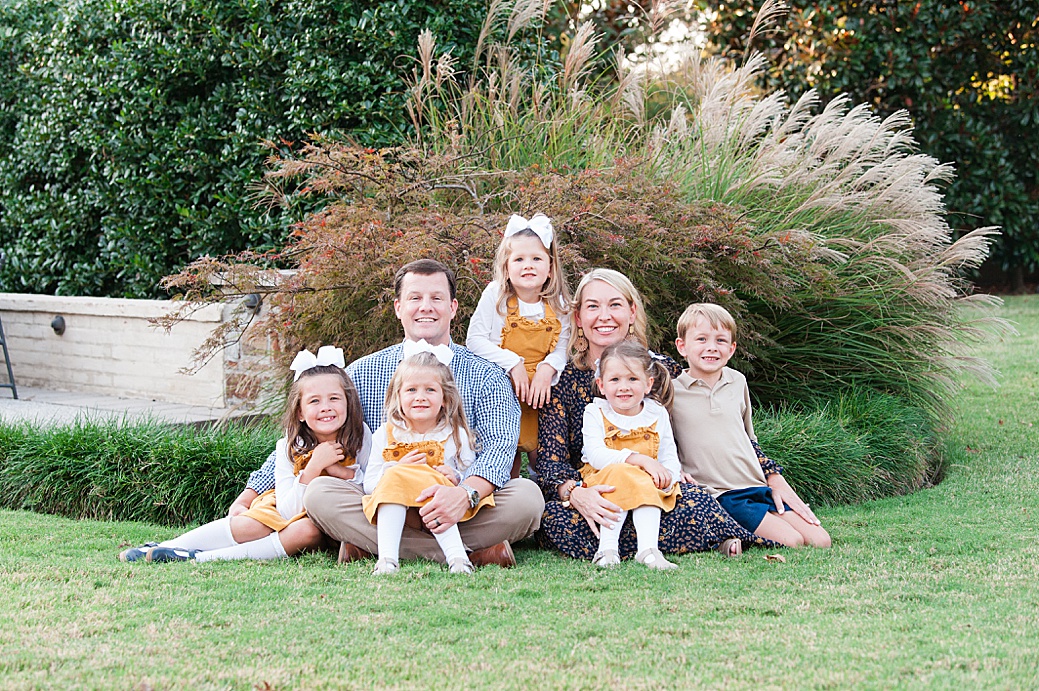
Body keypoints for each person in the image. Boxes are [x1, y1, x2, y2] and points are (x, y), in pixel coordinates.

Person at [303, 259, 544, 568]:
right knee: (320, 493)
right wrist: (251, 492)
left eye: (436, 298)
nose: (425, 307)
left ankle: (375, 546)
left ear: (453, 307)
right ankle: (470, 552)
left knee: (527, 498)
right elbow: (312, 430)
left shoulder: (486, 375)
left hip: (459, 502)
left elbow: (499, 447)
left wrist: (464, 494)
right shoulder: (363, 372)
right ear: (398, 307)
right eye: (415, 298)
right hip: (387, 499)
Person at [536, 268, 770, 560]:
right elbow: (550, 463)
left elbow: (713, 431)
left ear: (632, 312)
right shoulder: (561, 381)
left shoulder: (662, 371)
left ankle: (635, 544)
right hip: (597, 489)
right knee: (558, 520)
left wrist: (771, 474)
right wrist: (575, 494)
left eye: (615, 305)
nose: (604, 316)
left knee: (698, 501)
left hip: (657, 489)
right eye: (593, 306)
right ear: (579, 318)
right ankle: (683, 540)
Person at [119, 346, 372, 563]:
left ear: (349, 404)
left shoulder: (361, 438)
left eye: (334, 398)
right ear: (300, 413)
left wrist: (338, 471)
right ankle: (169, 546)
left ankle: (201, 558)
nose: (326, 407)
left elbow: (367, 489)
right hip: (291, 507)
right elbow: (287, 510)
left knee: (305, 531)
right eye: (314, 401)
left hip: (328, 522)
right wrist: (313, 468)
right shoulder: (289, 446)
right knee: (253, 522)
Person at [672, 303, 831, 548]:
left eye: (721, 340)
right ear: (682, 346)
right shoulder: (673, 392)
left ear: (732, 348)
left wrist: (771, 480)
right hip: (722, 493)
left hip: (756, 485)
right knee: (793, 541)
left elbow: (749, 437)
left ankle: (740, 534)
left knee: (821, 541)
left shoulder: (737, 381)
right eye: (701, 339)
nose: (712, 347)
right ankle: (728, 537)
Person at [363, 351, 490, 575]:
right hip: (399, 512)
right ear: (398, 397)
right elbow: (370, 485)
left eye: (430, 390)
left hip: (443, 510)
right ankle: (387, 560)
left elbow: (469, 474)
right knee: (393, 478)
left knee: (435, 482)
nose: (420, 397)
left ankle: (458, 559)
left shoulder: (455, 435)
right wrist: (396, 469)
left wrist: (456, 478)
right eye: (411, 390)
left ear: (445, 399)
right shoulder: (385, 435)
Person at [466, 213, 571, 478]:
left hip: (541, 393)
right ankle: (510, 505)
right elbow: (474, 340)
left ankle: (544, 503)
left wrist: (549, 368)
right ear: (506, 266)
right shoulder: (496, 295)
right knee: (507, 457)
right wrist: (512, 363)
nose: (528, 265)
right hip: (504, 390)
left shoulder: (559, 305)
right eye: (519, 259)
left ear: (550, 267)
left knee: (543, 455)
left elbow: (564, 347)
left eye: (537, 259)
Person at [581, 341, 682, 570]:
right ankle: (606, 549)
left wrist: (670, 477)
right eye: (615, 380)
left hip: (648, 484)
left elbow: (668, 455)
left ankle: (648, 550)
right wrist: (639, 459)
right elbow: (597, 456)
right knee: (621, 473)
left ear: (648, 384)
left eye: (632, 379)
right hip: (604, 481)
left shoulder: (657, 414)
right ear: (602, 385)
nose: (623, 387)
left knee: (646, 482)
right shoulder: (595, 412)